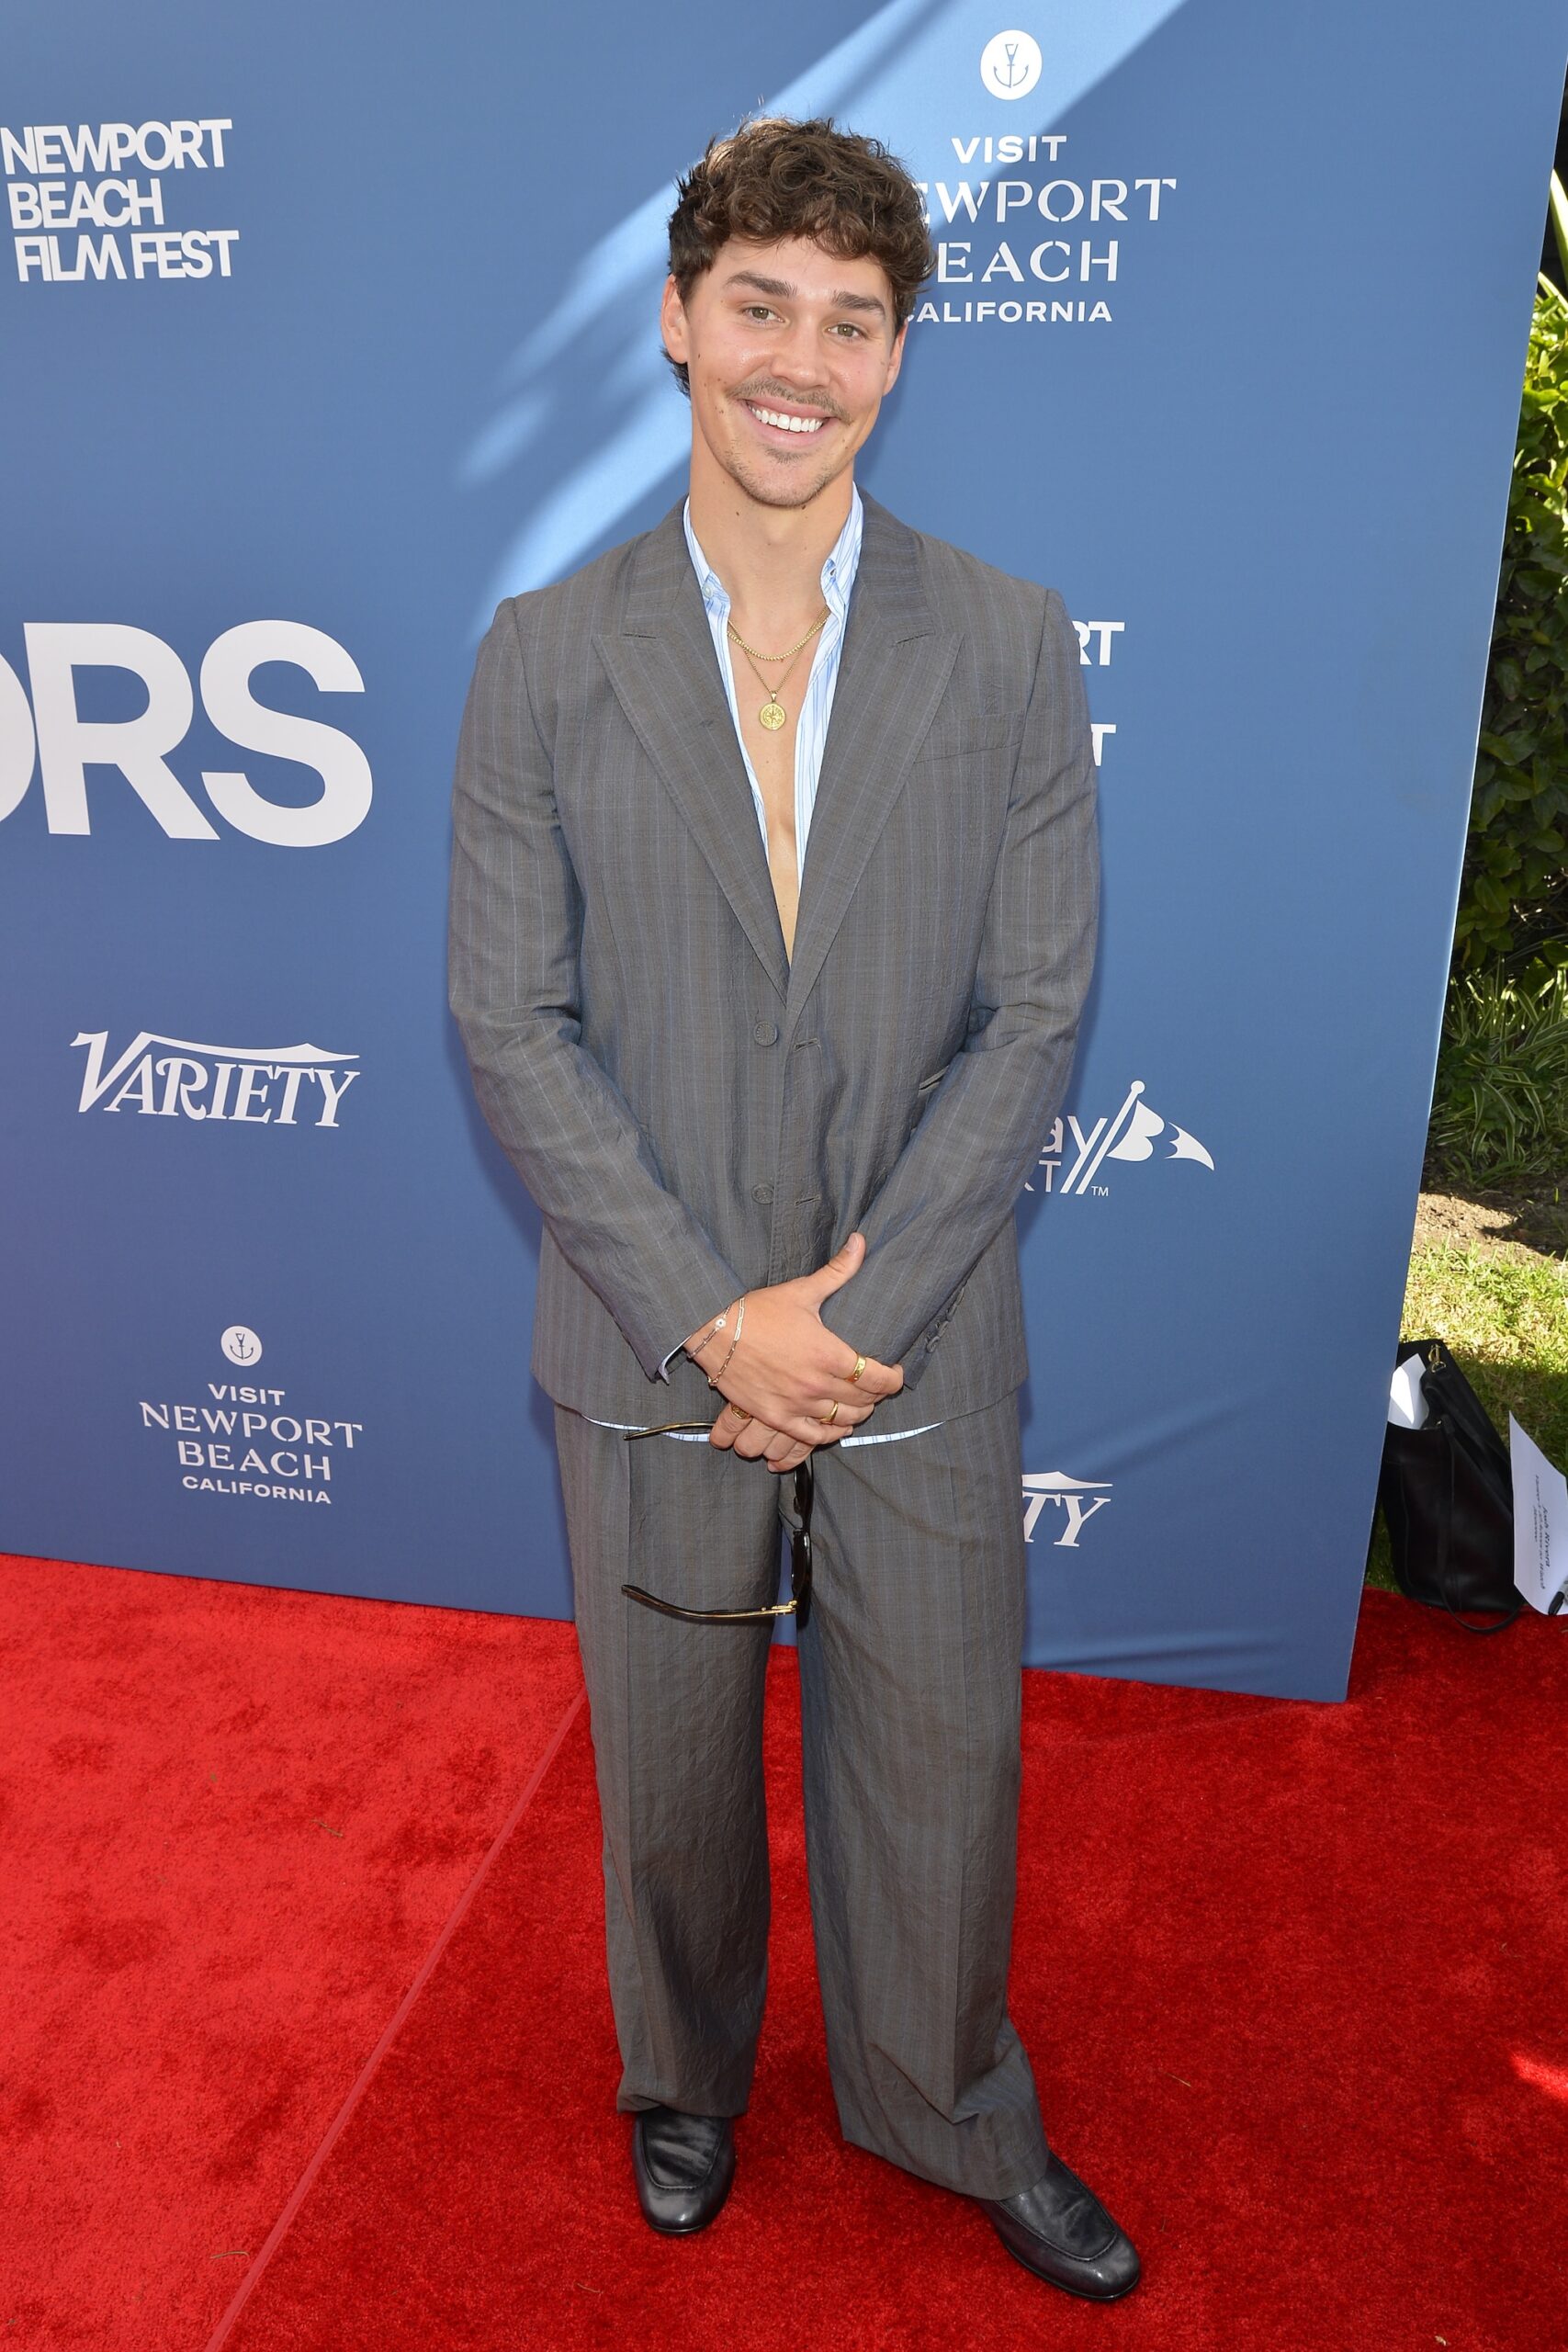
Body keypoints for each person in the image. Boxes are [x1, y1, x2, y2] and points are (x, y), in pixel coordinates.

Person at [448, 115, 1137, 2302]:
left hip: (915, 1334)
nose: (799, 360)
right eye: (759, 304)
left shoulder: (1012, 641)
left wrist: (845, 1317)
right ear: (676, 321)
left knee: (938, 1758)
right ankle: (684, 2075)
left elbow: (1034, 1016)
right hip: (648, 1339)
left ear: (896, 357)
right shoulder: (540, 656)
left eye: (852, 323)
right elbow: (509, 1017)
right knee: (664, 1765)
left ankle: (945, 2098)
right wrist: (708, 1315)